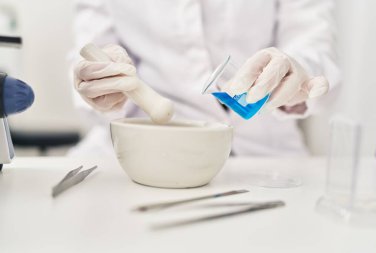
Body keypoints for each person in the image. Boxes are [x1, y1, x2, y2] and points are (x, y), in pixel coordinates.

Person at [69, 0, 340, 157]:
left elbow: (310, 39)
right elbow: (93, 47)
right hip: (145, 146)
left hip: (262, 147)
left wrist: (297, 69)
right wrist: (102, 83)